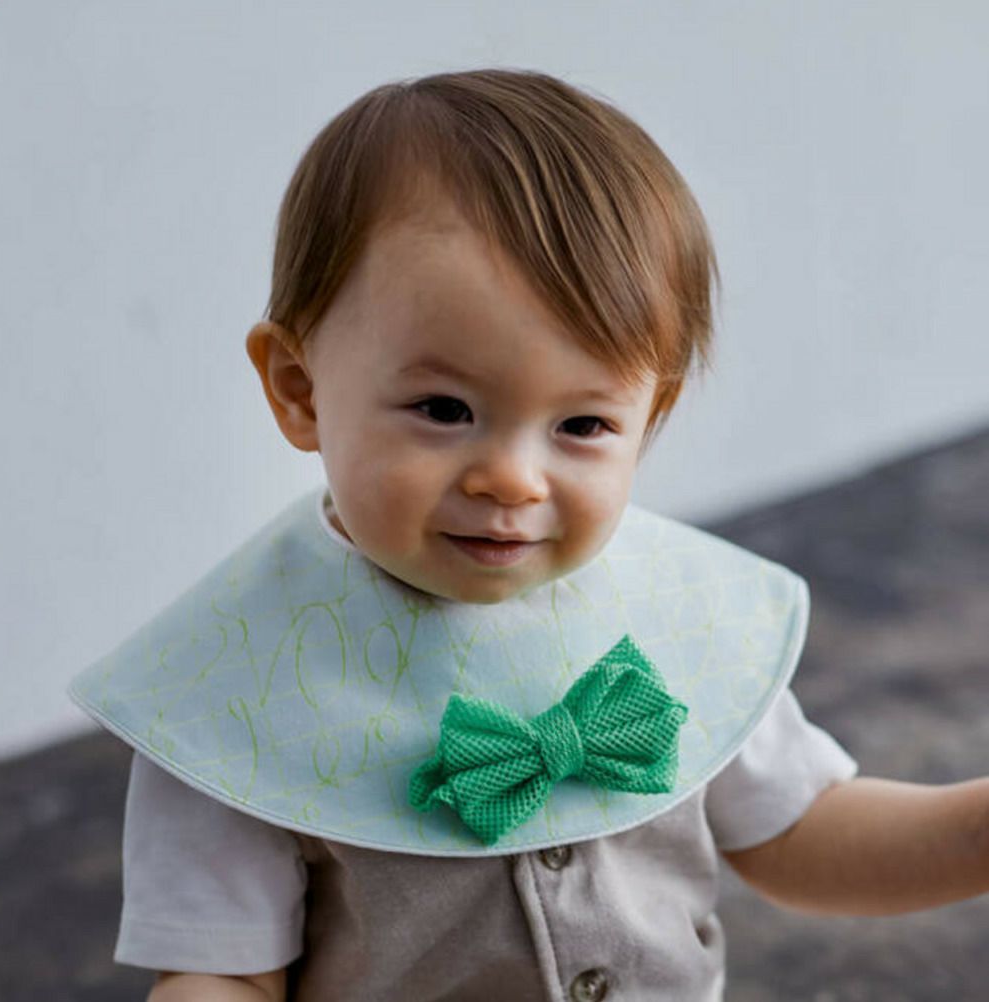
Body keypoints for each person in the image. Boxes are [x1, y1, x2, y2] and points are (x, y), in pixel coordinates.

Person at [68, 68, 989, 1002]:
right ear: (299, 389)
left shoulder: (676, 622)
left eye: (582, 425)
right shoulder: (230, 696)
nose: (511, 478)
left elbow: (804, 833)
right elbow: (224, 977)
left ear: (650, 414)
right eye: (443, 408)